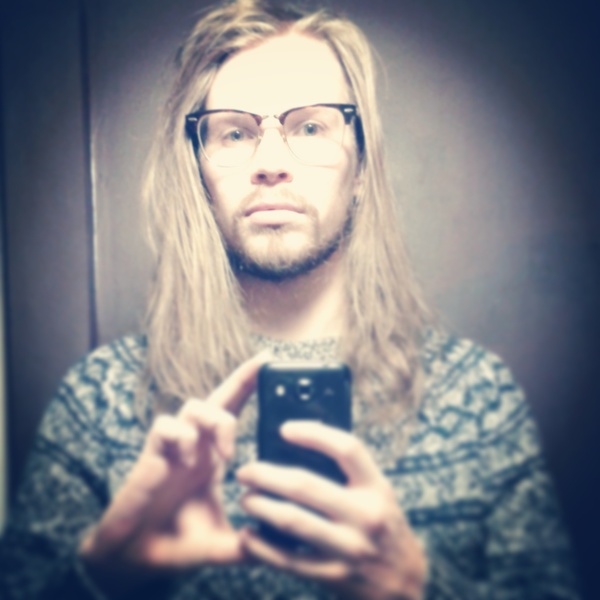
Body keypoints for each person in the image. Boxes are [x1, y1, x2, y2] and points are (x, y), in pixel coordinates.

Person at [0, 1, 580, 598]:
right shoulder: (99, 402)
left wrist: (417, 588)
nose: (271, 164)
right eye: (234, 132)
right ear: (197, 171)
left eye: (310, 127)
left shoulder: (477, 398)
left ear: (361, 167)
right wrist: (99, 576)